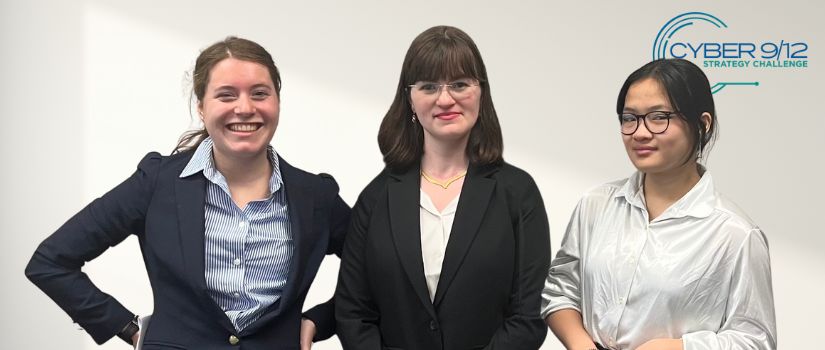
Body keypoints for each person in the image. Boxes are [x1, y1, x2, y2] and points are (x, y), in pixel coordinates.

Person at [25, 36, 350, 349]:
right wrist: (129, 328)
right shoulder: (157, 183)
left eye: (260, 93)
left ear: (277, 101)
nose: (245, 107)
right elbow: (51, 261)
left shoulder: (316, 196)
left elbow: (376, 275)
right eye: (226, 95)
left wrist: (320, 320)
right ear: (201, 107)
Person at [334, 25, 550, 350]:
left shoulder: (518, 193)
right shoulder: (376, 198)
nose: (445, 99)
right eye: (429, 86)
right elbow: (353, 313)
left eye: (460, 84)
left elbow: (528, 317)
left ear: (481, 92)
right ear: (410, 97)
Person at [542, 58, 777, 350]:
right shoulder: (596, 204)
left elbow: (755, 341)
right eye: (629, 118)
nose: (640, 132)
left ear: (702, 125)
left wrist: (677, 348)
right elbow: (560, 290)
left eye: (658, 117)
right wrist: (580, 344)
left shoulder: (736, 234)